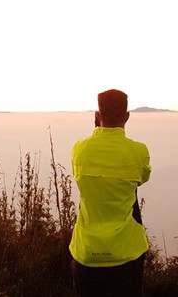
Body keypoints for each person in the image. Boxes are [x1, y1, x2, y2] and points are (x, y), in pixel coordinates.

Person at [69, 89, 151, 296]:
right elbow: (142, 178)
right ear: (127, 116)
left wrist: (98, 131)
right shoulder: (139, 152)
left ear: (97, 116)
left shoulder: (80, 150)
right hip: (127, 254)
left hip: (86, 252)